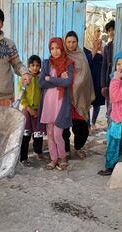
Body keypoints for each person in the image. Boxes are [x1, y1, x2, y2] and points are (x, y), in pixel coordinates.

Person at [37, 37, 74, 170]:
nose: (55, 51)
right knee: (50, 134)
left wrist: (51, 79)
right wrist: (58, 80)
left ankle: (63, 156)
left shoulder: (68, 63)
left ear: (62, 48)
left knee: (58, 133)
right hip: (48, 103)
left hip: (60, 103)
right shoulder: (46, 63)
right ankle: (53, 158)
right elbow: (40, 82)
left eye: (57, 47)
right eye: (52, 48)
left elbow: (68, 82)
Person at [63, 31, 95, 159]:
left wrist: (78, 83)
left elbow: (86, 75)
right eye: (69, 42)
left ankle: (78, 147)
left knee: (80, 126)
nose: (71, 45)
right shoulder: (62, 55)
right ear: (65, 42)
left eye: (74, 42)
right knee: (63, 126)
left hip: (80, 97)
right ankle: (65, 150)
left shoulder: (81, 55)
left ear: (77, 42)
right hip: (65, 96)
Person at [19, 55, 44, 166]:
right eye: (32, 65)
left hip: (39, 110)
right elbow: (21, 95)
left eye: (37, 65)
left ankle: (38, 151)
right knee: (25, 134)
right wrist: (28, 108)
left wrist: (40, 109)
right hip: (26, 110)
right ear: (28, 66)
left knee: (38, 133)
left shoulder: (41, 79)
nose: (35, 68)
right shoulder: (24, 79)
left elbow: (44, 95)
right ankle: (23, 157)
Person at [84, 25, 105, 133]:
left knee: (97, 103)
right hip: (89, 78)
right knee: (88, 103)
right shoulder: (85, 47)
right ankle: (87, 124)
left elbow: (106, 61)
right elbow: (86, 62)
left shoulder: (102, 45)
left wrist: (101, 49)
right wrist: (94, 49)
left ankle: (93, 123)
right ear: (91, 32)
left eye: (100, 31)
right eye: (97, 31)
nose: (98, 33)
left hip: (99, 78)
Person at [100, 20, 115, 122]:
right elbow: (104, 67)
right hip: (109, 82)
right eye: (109, 30)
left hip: (120, 82)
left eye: (113, 29)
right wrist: (103, 85)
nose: (111, 32)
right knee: (109, 107)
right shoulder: (107, 47)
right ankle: (110, 127)